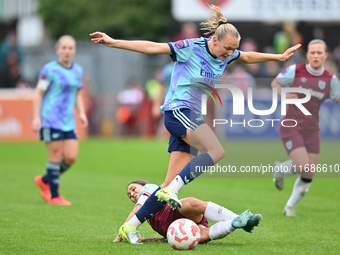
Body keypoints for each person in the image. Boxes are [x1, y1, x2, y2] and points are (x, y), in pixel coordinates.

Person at [90, 4, 300, 244]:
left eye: (233, 49)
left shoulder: (228, 52)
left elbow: (247, 56)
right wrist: (114, 42)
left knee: (167, 184)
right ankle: (173, 191)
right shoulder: (191, 47)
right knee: (217, 151)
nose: (230, 53)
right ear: (214, 40)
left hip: (191, 116)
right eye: (227, 48)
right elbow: (152, 47)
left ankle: (129, 226)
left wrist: (278, 57)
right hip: (178, 111)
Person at [271, 39, 340, 216]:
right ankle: (280, 170)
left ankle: (289, 207)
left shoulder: (330, 80)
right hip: (291, 126)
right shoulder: (295, 70)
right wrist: (286, 94)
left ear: (325, 55)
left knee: (309, 173)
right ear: (308, 55)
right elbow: (275, 84)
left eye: (319, 53)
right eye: (312, 53)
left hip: (312, 130)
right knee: (303, 166)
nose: (316, 56)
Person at [32, 35, 88, 206]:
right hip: (50, 119)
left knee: (71, 157)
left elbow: (78, 92)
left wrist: (82, 112)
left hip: (68, 121)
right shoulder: (49, 69)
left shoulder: (77, 70)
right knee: (55, 156)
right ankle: (55, 196)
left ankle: (44, 180)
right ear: (58, 50)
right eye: (63, 47)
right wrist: (36, 118)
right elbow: (39, 93)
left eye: (70, 48)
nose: (67, 51)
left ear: (74, 51)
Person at [113, 180, 262, 244]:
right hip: (172, 229)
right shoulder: (145, 209)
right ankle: (236, 224)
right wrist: (152, 240)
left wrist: (120, 235)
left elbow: (136, 210)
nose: (132, 194)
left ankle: (239, 219)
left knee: (189, 203)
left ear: (144, 185)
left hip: (173, 212)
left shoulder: (149, 189)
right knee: (201, 236)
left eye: (133, 189)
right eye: (129, 195)